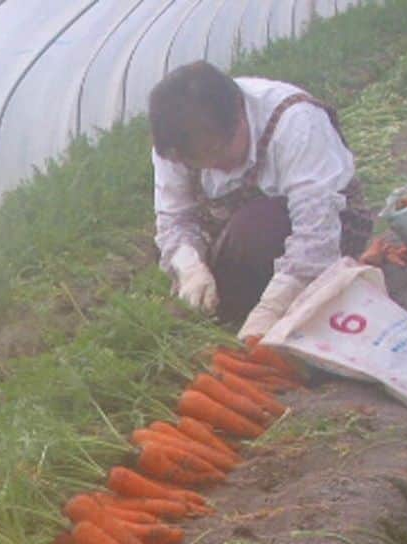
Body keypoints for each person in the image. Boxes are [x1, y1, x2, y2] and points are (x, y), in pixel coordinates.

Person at [148, 61, 372, 340]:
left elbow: (317, 232)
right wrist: (190, 268)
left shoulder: (295, 120)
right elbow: (174, 220)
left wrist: (272, 308)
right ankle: (233, 307)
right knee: (179, 259)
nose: (215, 166)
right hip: (240, 240)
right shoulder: (176, 143)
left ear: (240, 114)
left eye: (218, 153)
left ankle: (287, 306)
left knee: (258, 225)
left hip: (327, 233)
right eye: (199, 163)